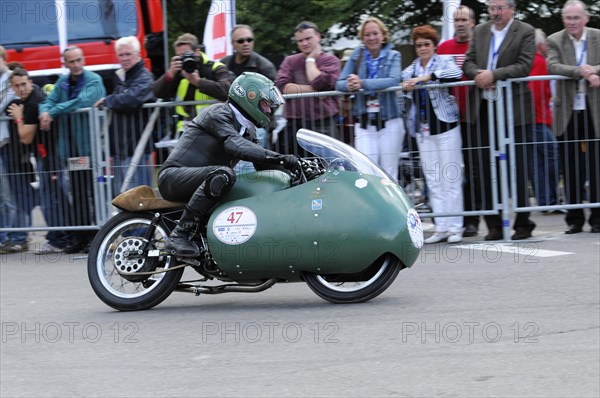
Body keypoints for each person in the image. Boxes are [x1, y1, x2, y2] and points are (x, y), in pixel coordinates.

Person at [157, 72, 299, 257]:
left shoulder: (248, 130)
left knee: (236, 180)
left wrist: (294, 171)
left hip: (204, 179)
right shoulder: (219, 113)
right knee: (224, 174)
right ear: (250, 97)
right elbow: (234, 144)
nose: (269, 111)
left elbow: (262, 165)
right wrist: (279, 157)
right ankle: (179, 234)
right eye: (265, 104)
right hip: (173, 177)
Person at [462, 0, 537, 241]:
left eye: (499, 8)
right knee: (485, 168)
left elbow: (525, 65)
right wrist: (479, 76)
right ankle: (494, 223)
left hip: (514, 109)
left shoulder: (525, 31)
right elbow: (468, 61)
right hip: (484, 107)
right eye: (491, 8)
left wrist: (495, 74)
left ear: (512, 9)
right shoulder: (481, 31)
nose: (495, 13)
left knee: (518, 166)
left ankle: (523, 223)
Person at [39, 46, 106, 253]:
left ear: (83, 60)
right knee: (76, 192)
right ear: (65, 63)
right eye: (71, 62)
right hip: (70, 149)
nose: (76, 65)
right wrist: (44, 113)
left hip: (89, 147)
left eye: (78, 60)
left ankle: (95, 238)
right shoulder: (64, 81)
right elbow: (47, 101)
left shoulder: (94, 79)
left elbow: (81, 102)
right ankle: (80, 238)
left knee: (91, 193)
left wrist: (53, 111)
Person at [402, 25, 464, 244]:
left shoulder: (443, 62)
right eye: (418, 45)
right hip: (423, 129)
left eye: (426, 44)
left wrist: (427, 77)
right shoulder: (411, 68)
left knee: (451, 177)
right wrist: (407, 86)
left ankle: (456, 226)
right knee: (434, 179)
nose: (422, 48)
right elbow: (403, 81)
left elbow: (456, 72)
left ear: (433, 45)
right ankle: (442, 227)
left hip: (446, 127)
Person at [547, 0, 600, 234]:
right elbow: (553, 65)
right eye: (568, 18)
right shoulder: (554, 40)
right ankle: (574, 219)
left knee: (596, 166)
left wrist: (594, 70)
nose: (572, 23)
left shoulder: (598, 36)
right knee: (570, 167)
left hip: (594, 110)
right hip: (568, 112)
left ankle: (598, 218)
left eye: (576, 18)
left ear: (586, 19)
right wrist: (580, 71)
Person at [335, 16, 404, 180]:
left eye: (375, 33)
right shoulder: (357, 55)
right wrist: (350, 85)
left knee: (388, 173)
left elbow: (394, 80)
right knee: (366, 172)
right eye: (367, 34)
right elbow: (340, 83)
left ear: (383, 36)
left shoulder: (394, 55)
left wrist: (362, 83)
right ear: (362, 37)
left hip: (389, 121)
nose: (371, 38)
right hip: (364, 122)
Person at [437, 5, 480, 238]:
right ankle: (451, 219)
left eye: (464, 19)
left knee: (473, 169)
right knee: (452, 171)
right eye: (456, 19)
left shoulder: (478, 45)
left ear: (472, 22)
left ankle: (472, 219)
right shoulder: (444, 48)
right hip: (449, 118)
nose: (460, 23)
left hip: (473, 116)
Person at [94, 36, 156, 194]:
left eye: (128, 54)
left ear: (138, 54)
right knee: (124, 199)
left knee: (138, 199)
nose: (125, 58)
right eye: (121, 55)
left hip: (136, 149)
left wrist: (107, 100)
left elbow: (131, 99)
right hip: (121, 150)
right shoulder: (122, 77)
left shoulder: (144, 77)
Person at [276, 21, 340, 155]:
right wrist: (318, 91)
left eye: (308, 38)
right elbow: (283, 88)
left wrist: (310, 60)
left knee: (326, 165)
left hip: (324, 123)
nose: (304, 43)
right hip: (295, 123)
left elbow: (320, 82)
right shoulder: (290, 61)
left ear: (318, 36)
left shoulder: (331, 60)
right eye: (300, 40)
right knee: (296, 166)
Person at [154, 33, 233, 135]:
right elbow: (157, 92)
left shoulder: (215, 68)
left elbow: (228, 91)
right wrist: (170, 74)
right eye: (179, 56)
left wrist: (198, 82)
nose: (184, 59)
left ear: (197, 52)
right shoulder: (178, 72)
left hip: (214, 128)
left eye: (187, 54)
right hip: (186, 131)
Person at [221, 25, 278, 149]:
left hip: (258, 129)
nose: (246, 43)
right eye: (241, 41)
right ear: (233, 44)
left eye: (249, 40)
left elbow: (273, 101)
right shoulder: (223, 64)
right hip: (230, 127)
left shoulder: (265, 67)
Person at [528, 29, 560, 209]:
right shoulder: (540, 62)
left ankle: (545, 200)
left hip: (534, 119)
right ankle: (550, 198)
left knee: (537, 160)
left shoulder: (532, 62)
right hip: (539, 119)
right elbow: (538, 91)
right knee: (551, 155)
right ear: (540, 45)